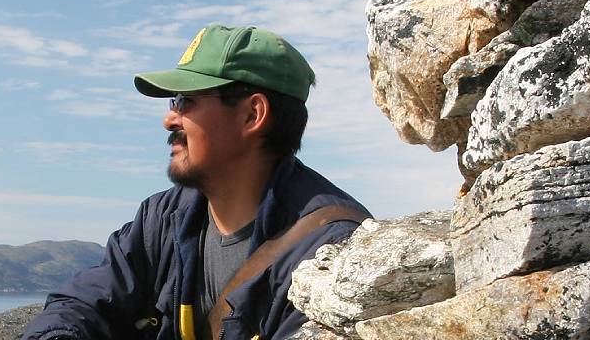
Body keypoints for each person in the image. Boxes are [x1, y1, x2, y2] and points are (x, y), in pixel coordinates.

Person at [20, 24, 371, 340]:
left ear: (253, 114)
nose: (169, 119)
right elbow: (86, 302)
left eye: (186, 101)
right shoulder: (163, 217)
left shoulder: (330, 253)